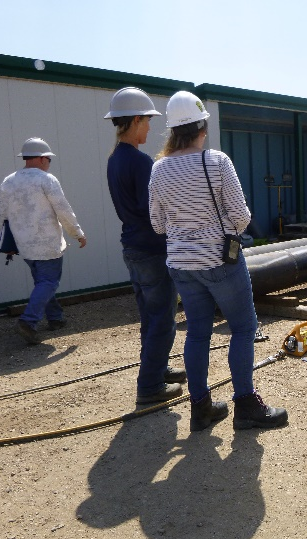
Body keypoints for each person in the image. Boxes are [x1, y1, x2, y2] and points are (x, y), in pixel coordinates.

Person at [148, 91, 287, 431]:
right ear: (202, 127)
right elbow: (241, 217)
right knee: (243, 328)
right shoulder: (217, 161)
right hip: (219, 261)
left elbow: (157, 224)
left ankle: (201, 409)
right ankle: (246, 406)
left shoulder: (159, 169)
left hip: (181, 265)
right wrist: (217, 226)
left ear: (171, 131)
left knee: (197, 334)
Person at [104, 87, 186, 405]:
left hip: (132, 249)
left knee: (150, 317)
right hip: (152, 251)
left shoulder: (115, 160)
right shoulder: (139, 162)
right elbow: (155, 212)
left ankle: (158, 368)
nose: (150, 129)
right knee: (163, 319)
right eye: (148, 122)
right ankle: (150, 386)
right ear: (136, 120)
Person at [0, 137, 86, 345]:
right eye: (48, 159)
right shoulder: (46, 179)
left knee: (43, 282)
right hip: (47, 243)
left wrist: (9, 246)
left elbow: (4, 215)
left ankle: (55, 318)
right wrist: (77, 233)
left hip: (24, 244)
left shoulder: (8, 181)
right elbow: (63, 209)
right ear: (42, 158)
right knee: (49, 282)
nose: (49, 163)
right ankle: (28, 321)